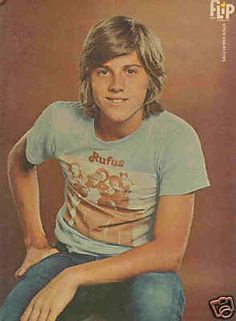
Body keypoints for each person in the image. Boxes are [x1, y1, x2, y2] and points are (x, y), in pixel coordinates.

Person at [0, 15, 210, 321]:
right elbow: (19, 160)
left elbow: (168, 252)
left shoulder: (176, 138)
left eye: (130, 71)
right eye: (103, 72)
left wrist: (72, 278)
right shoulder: (60, 120)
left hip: (143, 269)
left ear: (150, 77)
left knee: (156, 303)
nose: (116, 86)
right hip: (70, 255)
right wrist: (35, 242)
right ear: (88, 76)